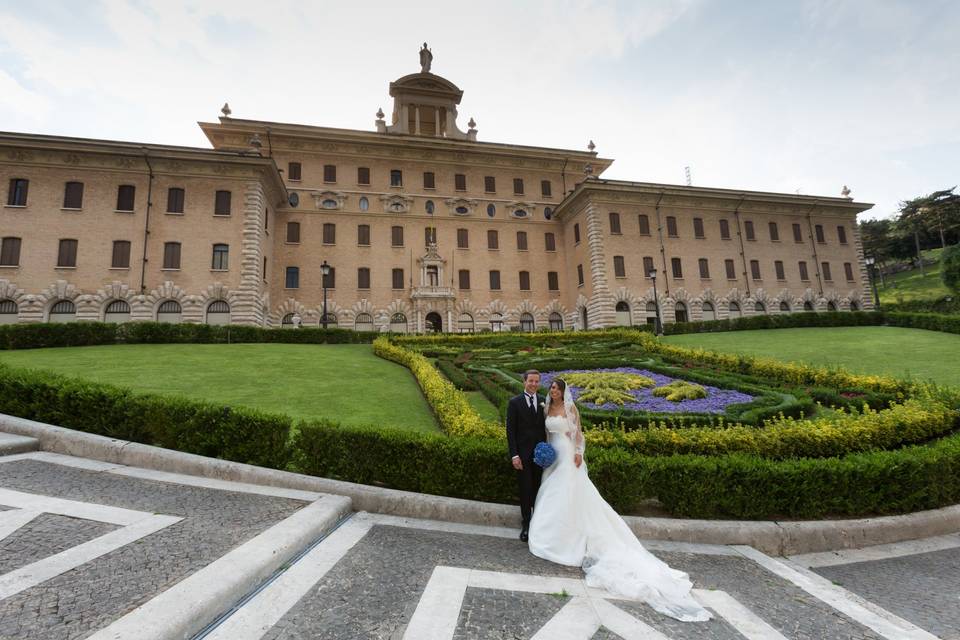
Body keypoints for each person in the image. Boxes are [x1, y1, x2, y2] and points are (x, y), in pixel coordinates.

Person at [528, 378, 712, 622]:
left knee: (569, 495)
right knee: (550, 493)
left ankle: (571, 537)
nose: (553, 391)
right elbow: (545, 433)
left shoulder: (571, 409)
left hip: (568, 458)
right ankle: (551, 533)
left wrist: (579, 454)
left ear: (563, 392)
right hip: (553, 458)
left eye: (557, 388)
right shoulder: (546, 408)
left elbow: (579, 435)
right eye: (551, 388)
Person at [505, 369, 547, 542]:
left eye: (537, 381)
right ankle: (526, 525)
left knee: (539, 490)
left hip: (540, 456)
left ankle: (538, 524)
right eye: (531, 381)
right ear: (524, 381)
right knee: (525, 490)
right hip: (522, 456)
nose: (534, 384)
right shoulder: (515, 402)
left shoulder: (545, 402)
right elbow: (510, 431)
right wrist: (514, 455)